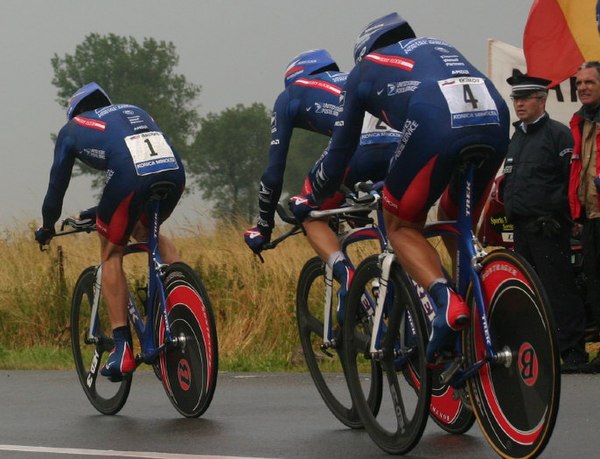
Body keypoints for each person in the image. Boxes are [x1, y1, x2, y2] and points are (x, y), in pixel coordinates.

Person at [290, 12, 510, 364]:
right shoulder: (438, 45)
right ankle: (483, 304)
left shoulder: (364, 70)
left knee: (402, 225)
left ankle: (447, 304)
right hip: (495, 115)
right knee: (456, 218)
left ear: (363, 51)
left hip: (436, 120)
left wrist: (310, 195)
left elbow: (339, 155)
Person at [35, 82, 186, 381]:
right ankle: (186, 304)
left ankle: (122, 350)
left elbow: (56, 188)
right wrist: (101, 210)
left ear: (73, 111)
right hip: (174, 171)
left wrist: (47, 226)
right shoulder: (132, 110)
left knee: (111, 252)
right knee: (145, 231)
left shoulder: (72, 129)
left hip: (131, 175)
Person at [244, 50, 398, 323]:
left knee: (307, 208)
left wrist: (263, 226)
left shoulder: (290, 95)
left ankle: (346, 275)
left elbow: (273, 174)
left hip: (357, 148)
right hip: (401, 143)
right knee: (400, 223)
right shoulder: (353, 78)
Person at [501, 70, 588, 373]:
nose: (519, 104)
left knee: (558, 290)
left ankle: (573, 353)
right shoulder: (517, 137)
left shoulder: (557, 134)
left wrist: (570, 217)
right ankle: (540, 352)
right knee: (527, 293)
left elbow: (571, 180)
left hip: (549, 226)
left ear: (542, 100)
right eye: (516, 98)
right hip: (522, 228)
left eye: (525, 98)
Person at [569, 61, 600, 373]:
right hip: (589, 216)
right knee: (595, 285)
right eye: (579, 84)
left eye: (589, 82)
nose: (583, 88)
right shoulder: (578, 121)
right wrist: (575, 212)